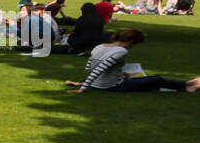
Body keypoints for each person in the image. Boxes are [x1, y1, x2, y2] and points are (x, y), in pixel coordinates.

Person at [67, 29, 199, 94]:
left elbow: (89, 66)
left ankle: (187, 84)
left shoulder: (100, 46)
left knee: (148, 82)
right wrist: (82, 88)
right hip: (113, 86)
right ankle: (187, 86)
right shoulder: (121, 51)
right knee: (156, 79)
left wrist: (85, 82)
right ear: (131, 42)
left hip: (101, 83)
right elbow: (98, 69)